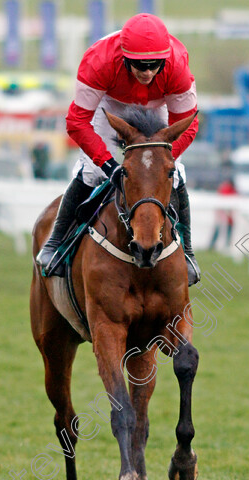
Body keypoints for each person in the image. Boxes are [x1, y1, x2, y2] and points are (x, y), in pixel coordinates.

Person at [35, 13, 201, 285]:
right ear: (124, 57)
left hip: (157, 106)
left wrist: (162, 159)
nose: (147, 72)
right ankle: (55, 243)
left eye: (154, 65)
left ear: (165, 58)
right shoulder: (98, 61)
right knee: (91, 173)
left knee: (176, 174)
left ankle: (189, 253)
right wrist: (108, 165)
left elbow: (188, 126)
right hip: (111, 105)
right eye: (139, 65)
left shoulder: (178, 66)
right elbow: (77, 122)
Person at [209, 177, 238, 251]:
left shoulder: (227, 188)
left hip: (227, 214)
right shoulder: (228, 189)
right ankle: (215, 245)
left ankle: (217, 245)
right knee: (220, 229)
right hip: (223, 213)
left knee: (224, 229)